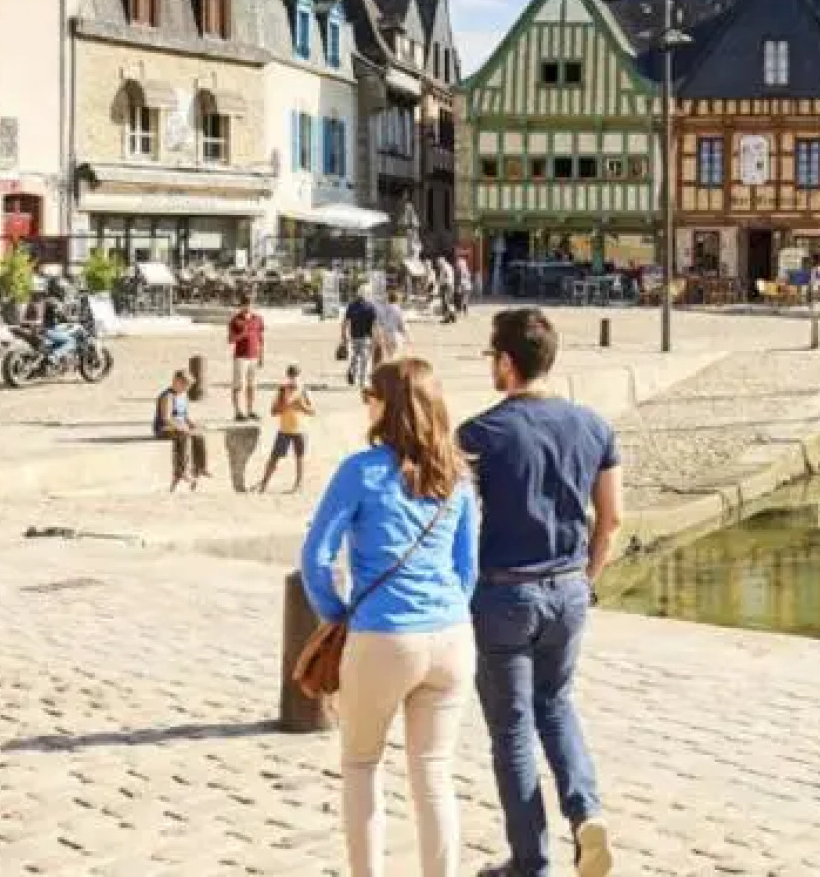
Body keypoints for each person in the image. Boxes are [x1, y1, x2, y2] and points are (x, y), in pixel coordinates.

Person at [298, 358, 478, 877]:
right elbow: (467, 568)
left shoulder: (361, 471)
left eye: (369, 396)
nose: (366, 405)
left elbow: (316, 557)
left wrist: (338, 614)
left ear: (387, 405)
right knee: (434, 773)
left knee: (360, 765)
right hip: (449, 636)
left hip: (384, 633)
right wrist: (445, 611)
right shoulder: (458, 475)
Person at [458, 308, 620, 877]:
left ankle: (531, 862)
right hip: (569, 588)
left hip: (504, 594)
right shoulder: (594, 427)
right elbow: (612, 518)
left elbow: (454, 521)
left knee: (513, 730)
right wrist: (586, 578)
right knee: (557, 706)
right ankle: (587, 812)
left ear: (506, 362)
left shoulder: (479, 434)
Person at [258, 364, 316, 493]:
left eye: (295, 376)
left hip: (301, 429)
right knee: (274, 457)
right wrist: (285, 405)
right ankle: (264, 484)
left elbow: (312, 411)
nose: (293, 379)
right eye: (291, 376)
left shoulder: (304, 390)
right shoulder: (282, 390)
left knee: (300, 458)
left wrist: (302, 407)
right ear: (288, 376)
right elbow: (273, 411)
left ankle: (298, 485)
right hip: (284, 429)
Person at [153, 370, 209, 490]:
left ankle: (201, 467)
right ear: (176, 381)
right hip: (164, 428)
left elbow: (185, 416)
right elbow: (166, 418)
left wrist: (193, 424)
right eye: (185, 385)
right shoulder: (168, 396)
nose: (186, 389)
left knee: (199, 436)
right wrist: (181, 427)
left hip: (180, 426)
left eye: (188, 386)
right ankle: (182, 470)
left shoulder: (183, 396)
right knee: (184, 436)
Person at [228, 292, 265, 422]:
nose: (247, 307)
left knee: (252, 385)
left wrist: (261, 356)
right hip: (241, 357)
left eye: (249, 304)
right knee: (239, 385)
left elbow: (261, 338)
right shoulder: (235, 320)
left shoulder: (258, 319)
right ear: (241, 305)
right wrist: (242, 334)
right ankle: (238, 411)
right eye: (245, 304)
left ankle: (250, 410)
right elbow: (230, 340)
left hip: (254, 356)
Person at [342, 291, 378, 389]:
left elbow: (345, 321)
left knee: (355, 356)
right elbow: (374, 324)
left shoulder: (352, 306)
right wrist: (375, 338)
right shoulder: (370, 307)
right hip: (366, 337)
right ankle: (362, 381)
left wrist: (344, 334)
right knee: (365, 359)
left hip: (354, 336)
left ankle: (352, 370)